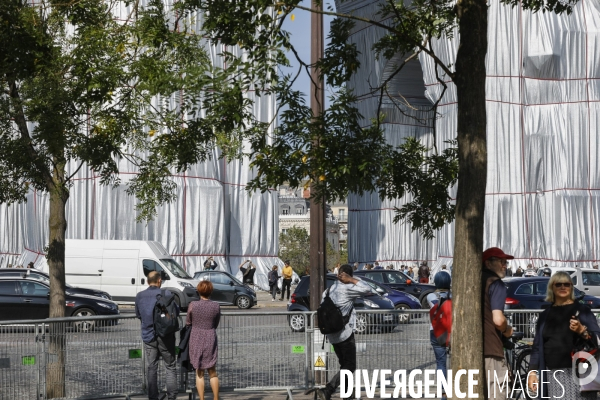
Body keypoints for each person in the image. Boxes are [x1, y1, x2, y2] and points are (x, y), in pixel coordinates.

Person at [527, 272, 600, 399]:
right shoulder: (545, 315)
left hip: (579, 373)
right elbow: (537, 346)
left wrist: (582, 331)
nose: (563, 287)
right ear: (551, 288)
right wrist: (532, 371)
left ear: (571, 287)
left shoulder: (583, 311)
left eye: (567, 284)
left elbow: (597, 339)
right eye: (558, 284)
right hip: (552, 373)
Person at [311, 264, 372, 400]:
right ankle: (329, 389)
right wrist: (351, 280)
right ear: (349, 275)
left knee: (344, 365)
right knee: (350, 366)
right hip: (344, 333)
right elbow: (368, 289)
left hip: (331, 334)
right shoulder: (348, 288)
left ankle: (347, 394)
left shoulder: (329, 290)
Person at [135, 271, 179, 400]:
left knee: (152, 367)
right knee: (170, 366)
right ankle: (172, 397)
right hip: (165, 335)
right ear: (159, 281)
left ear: (148, 281)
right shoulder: (166, 293)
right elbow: (175, 311)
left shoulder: (140, 296)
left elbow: (138, 314)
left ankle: (153, 397)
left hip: (149, 335)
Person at [481, 247, 514, 400]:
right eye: (501, 261)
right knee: (497, 395)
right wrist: (507, 330)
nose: (505, 265)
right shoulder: (495, 283)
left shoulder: (472, 281)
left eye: (505, 262)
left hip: (470, 350)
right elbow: (498, 320)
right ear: (488, 263)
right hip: (492, 351)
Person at [187, 280, 221, 400]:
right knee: (212, 371)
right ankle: (216, 398)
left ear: (199, 291)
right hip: (210, 336)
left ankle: (202, 398)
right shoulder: (216, 305)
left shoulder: (193, 305)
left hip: (196, 336)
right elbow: (216, 323)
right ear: (211, 291)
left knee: (199, 371)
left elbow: (188, 322)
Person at [427, 272, 451, 400]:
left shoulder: (431, 296)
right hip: (451, 330)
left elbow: (435, 304)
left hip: (436, 332)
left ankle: (443, 394)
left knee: (441, 363)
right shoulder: (453, 296)